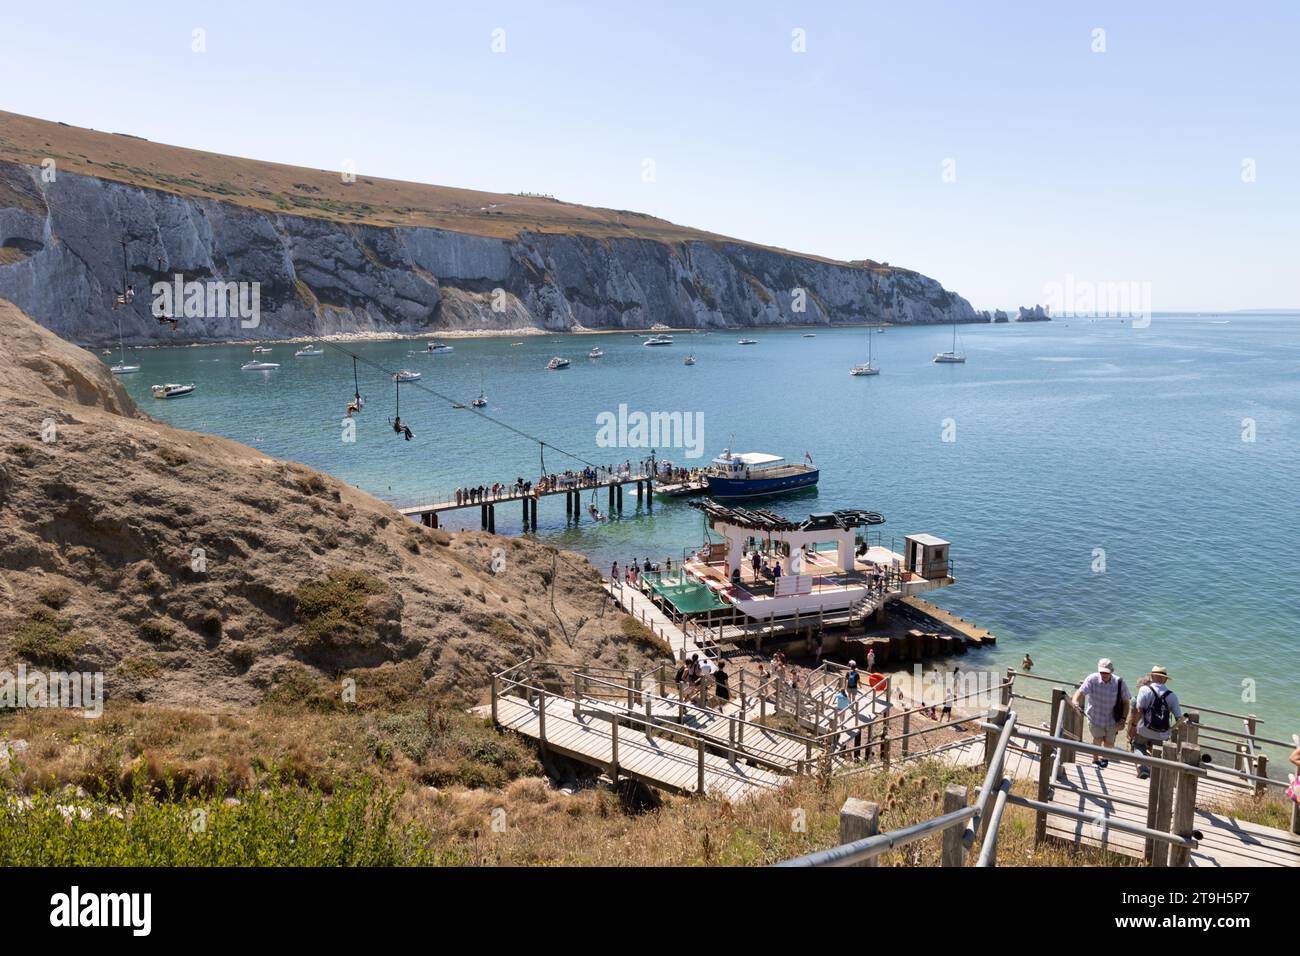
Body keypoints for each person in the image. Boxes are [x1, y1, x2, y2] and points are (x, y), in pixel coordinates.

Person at [1072, 657, 1130, 767]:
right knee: (1097, 739)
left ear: (1112, 671)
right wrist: (1075, 701)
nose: (1104, 674)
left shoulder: (1120, 683)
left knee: (1109, 742)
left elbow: (1126, 703)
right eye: (1102, 672)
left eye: (1106, 673)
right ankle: (1095, 759)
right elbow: (1080, 692)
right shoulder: (1092, 679)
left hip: (1112, 719)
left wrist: (1123, 720)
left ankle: (1105, 759)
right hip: (1095, 716)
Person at [1129, 666, 1184, 780]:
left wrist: (1133, 726)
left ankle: (1142, 768)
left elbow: (1139, 710)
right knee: (1157, 753)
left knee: (1138, 746)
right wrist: (1170, 730)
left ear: (1152, 677)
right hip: (1161, 733)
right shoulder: (1172, 696)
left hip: (1144, 729)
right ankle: (1157, 776)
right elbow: (1179, 718)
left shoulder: (1144, 690)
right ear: (1165, 680)